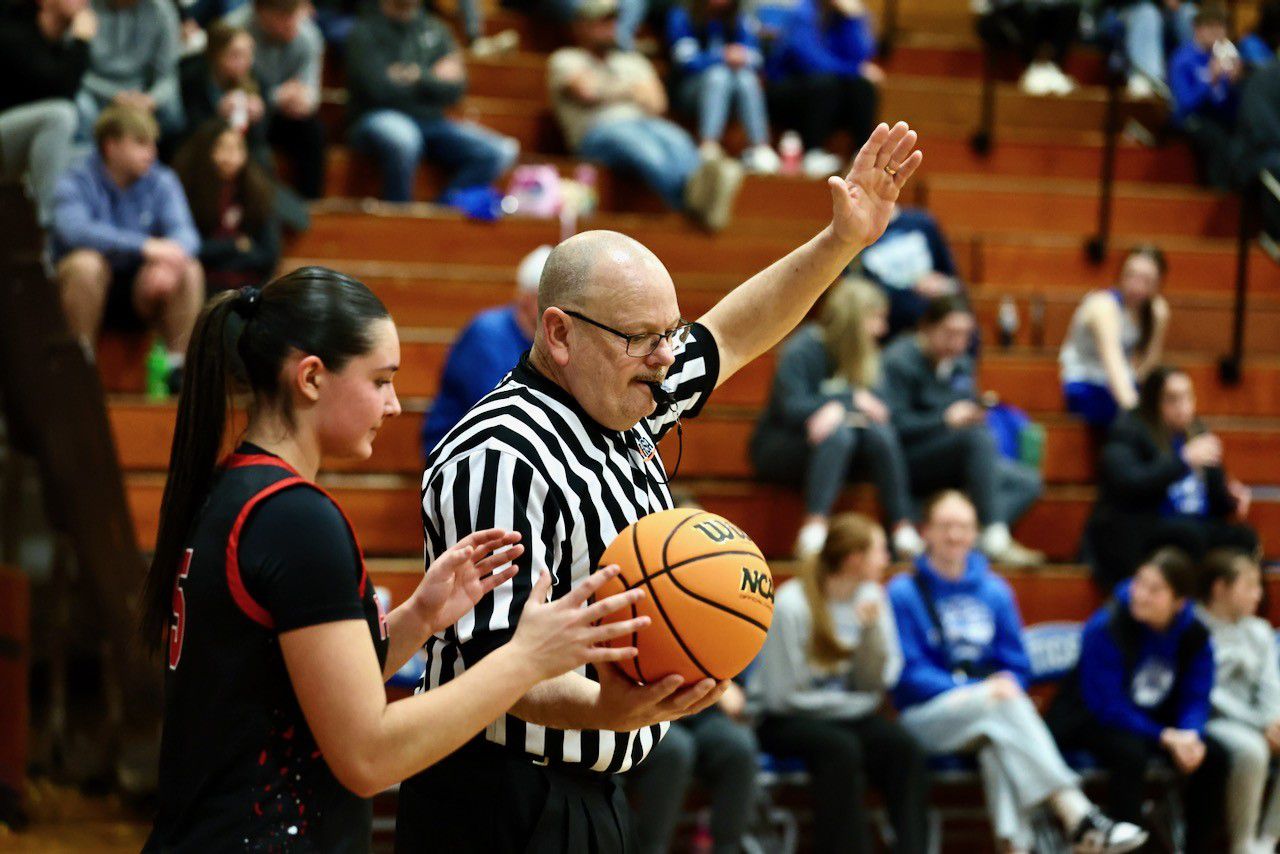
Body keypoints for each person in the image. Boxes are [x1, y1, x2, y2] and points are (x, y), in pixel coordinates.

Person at [395, 122, 923, 853]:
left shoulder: (629, 386)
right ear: (560, 335)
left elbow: (735, 333)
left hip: (597, 790)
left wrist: (841, 241)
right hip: (495, 799)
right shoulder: (498, 456)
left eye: (668, 333)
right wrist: (609, 708)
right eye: (642, 338)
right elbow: (494, 668)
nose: (664, 358)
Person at [137, 267, 649, 850]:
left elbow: (287, 690)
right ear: (310, 378)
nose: (396, 405)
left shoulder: (236, 492)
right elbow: (368, 755)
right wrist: (526, 660)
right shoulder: (295, 519)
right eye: (380, 381)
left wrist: (419, 618)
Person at [889, 491, 1148, 854]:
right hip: (926, 717)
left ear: (975, 533)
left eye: (963, 527)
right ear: (926, 532)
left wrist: (1004, 685)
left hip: (991, 714)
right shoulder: (903, 593)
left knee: (999, 740)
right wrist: (970, 690)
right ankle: (1077, 814)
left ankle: (1015, 846)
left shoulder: (995, 591)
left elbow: (1017, 664)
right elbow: (906, 673)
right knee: (1002, 707)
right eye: (945, 526)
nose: (954, 536)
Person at [753, 513, 930, 854]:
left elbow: (874, 682)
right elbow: (782, 697)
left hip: (847, 714)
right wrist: (856, 705)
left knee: (905, 749)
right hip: (784, 718)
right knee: (840, 749)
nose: (887, 559)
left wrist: (871, 632)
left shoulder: (873, 597)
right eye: (880, 550)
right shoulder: (792, 603)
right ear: (854, 559)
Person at [1047, 549, 1230, 854]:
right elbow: (1107, 705)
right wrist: (1164, 736)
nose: (1141, 595)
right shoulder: (1107, 626)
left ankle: (1198, 847)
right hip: (1089, 717)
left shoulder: (1195, 635)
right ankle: (1129, 847)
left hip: (1155, 722)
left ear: (1178, 602)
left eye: (1154, 590)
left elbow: (1196, 694)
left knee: (1215, 756)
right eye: (1139, 583)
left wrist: (1189, 733)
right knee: (1130, 752)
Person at [750, 277, 924, 558]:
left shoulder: (869, 357)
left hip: (842, 451)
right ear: (854, 319)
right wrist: (846, 402)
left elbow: (880, 410)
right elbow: (790, 408)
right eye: (876, 318)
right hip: (783, 447)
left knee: (880, 433)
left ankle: (901, 527)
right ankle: (813, 529)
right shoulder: (805, 346)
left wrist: (842, 408)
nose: (883, 329)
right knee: (838, 433)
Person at [549, 0, 744, 232]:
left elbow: (658, 103)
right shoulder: (566, 59)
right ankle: (694, 206)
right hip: (598, 132)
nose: (610, 27)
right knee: (643, 149)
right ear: (582, 26)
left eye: (613, 21)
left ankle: (702, 186)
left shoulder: (632, 60)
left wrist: (612, 91)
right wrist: (632, 90)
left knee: (676, 138)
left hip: (646, 123)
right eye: (602, 22)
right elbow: (588, 92)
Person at [881, 296, 1045, 566]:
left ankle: (972, 539)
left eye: (964, 335)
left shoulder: (962, 363)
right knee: (977, 440)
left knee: (1027, 481)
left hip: (955, 454)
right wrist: (943, 420)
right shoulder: (899, 360)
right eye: (949, 333)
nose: (957, 343)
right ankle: (994, 535)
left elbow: (966, 407)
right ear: (927, 328)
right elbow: (892, 426)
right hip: (909, 458)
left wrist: (973, 413)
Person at [50, 105, 203, 392]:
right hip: (86, 290)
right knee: (85, 264)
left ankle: (178, 374)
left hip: (141, 291)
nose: (152, 153)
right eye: (141, 143)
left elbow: (187, 235)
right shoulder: (75, 178)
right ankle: (79, 372)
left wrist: (169, 261)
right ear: (111, 146)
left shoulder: (161, 180)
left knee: (188, 268)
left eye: (153, 144)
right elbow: (73, 230)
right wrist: (145, 246)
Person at [1086, 365, 1259, 591]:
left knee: (1244, 537)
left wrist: (1231, 497)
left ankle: (1237, 612)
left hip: (1195, 524)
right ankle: (1188, 610)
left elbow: (1215, 496)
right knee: (1189, 535)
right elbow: (1129, 484)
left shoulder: (1197, 431)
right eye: (1172, 399)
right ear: (1153, 401)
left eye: (1188, 397)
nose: (1183, 407)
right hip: (1147, 526)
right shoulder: (1129, 430)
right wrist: (1182, 461)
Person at [345, 0, 518, 204]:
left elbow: (455, 90)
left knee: (501, 151)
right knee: (403, 138)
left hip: (431, 122)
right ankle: (399, 217)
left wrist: (416, 76)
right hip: (378, 116)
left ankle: (437, 214)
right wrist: (433, 79)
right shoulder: (364, 31)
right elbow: (378, 90)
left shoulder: (436, 30)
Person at [420, 245, 551, 457]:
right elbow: (496, 413)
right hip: (461, 455)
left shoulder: (546, 340)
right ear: (526, 298)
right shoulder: (487, 334)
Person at [1198, 549, 1280, 854]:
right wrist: (1261, 725)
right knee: (1252, 750)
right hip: (1211, 719)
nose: (1258, 594)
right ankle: (1242, 842)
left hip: (1256, 719)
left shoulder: (1259, 630)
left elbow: (1271, 684)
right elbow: (1205, 692)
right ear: (1220, 588)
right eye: (1250, 586)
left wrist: (1274, 720)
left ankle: (1269, 840)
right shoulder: (1195, 627)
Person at [625, 686, 759, 854]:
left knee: (740, 748)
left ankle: (728, 849)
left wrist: (725, 683)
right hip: (652, 711)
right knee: (675, 749)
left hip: (704, 713)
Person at [764, 0, 882, 178]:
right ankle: (813, 152)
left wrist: (853, 19)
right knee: (825, 84)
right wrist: (854, 70)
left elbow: (862, 54)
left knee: (863, 87)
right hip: (787, 88)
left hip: (828, 89)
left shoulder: (843, 16)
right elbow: (810, 60)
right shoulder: (802, 12)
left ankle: (862, 155)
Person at [0, 0, 93, 225]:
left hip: (22, 142)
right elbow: (55, 87)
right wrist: (81, 42)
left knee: (86, 115)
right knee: (60, 115)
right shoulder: (12, 30)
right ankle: (52, 225)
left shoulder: (64, 38)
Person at [1059, 245, 1170, 430]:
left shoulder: (1152, 312)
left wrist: (1160, 323)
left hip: (1120, 386)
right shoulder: (1103, 306)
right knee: (1134, 423)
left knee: (1166, 410)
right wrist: (1137, 415)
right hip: (1087, 385)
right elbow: (1114, 365)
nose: (1136, 285)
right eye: (1131, 275)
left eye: (1146, 280)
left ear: (1157, 284)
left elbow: (1147, 368)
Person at [225, 0, 328, 199]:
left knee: (314, 131)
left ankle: (310, 207)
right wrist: (277, 96)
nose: (291, 23)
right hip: (244, 113)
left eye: (294, 15)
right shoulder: (234, 31)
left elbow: (312, 94)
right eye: (283, 16)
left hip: (285, 116)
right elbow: (226, 88)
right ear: (260, 12)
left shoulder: (308, 36)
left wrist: (303, 100)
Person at [666, 0, 780, 174]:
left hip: (734, 88)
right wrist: (721, 56)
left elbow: (756, 57)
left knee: (746, 78)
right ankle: (708, 145)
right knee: (718, 76)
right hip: (691, 89)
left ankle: (760, 147)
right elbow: (685, 60)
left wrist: (742, 56)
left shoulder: (740, 16)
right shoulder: (683, 14)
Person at [173, 119, 281, 293]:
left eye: (238, 147)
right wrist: (234, 246)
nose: (230, 156)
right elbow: (186, 247)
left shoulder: (257, 191)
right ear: (205, 150)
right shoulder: (186, 189)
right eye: (222, 147)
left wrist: (222, 254)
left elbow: (269, 253)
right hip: (201, 286)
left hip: (249, 287)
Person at [76, 0, 184, 136]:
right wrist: (114, 94)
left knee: (171, 109)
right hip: (95, 89)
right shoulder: (84, 7)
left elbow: (167, 73)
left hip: (141, 90)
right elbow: (75, 70)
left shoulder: (161, 9)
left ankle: (157, 155)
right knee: (83, 108)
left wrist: (151, 99)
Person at [854, 205, 962, 340]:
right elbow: (858, 290)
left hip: (931, 321)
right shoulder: (857, 232)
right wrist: (912, 289)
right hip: (888, 324)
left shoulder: (922, 223)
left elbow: (952, 280)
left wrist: (942, 285)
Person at [1169, 5, 1242, 189]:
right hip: (1189, 118)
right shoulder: (1183, 59)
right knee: (1216, 140)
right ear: (1198, 29)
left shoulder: (1223, 59)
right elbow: (1185, 103)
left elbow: (1227, 107)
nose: (1217, 32)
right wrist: (1210, 78)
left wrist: (1234, 85)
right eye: (1211, 27)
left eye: (1221, 27)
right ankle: (1218, 195)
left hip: (1214, 118)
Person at [179, 22, 270, 161]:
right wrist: (218, 114)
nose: (245, 61)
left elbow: (261, 138)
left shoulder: (256, 79)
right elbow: (188, 131)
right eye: (235, 55)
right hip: (205, 149)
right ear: (216, 55)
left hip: (243, 149)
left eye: (248, 53)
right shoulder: (193, 78)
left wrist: (259, 116)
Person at [974, 0, 1080, 96]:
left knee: (1069, 10)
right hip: (1007, 15)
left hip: (1042, 13)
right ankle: (1034, 67)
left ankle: (1048, 67)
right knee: (1024, 11)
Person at [1104, 0, 1199, 99]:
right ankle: (1151, 81)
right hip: (1123, 16)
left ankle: (1194, 76)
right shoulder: (1145, 11)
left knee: (1188, 12)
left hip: (1166, 15)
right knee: (1148, 13)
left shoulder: (1183, 12)